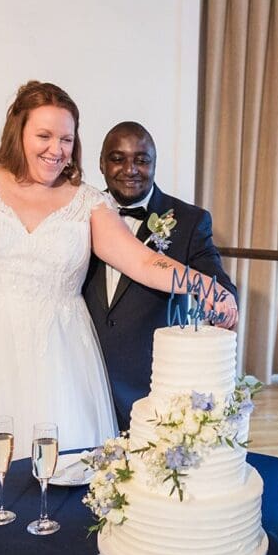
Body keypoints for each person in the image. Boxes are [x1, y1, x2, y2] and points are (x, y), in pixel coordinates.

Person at [0, 84, 238, 530]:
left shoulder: (88, 202)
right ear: (18, 131)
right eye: (44, 136)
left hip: (58, 366)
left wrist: (204, 286)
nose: (56, 150)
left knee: (56, 499)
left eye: (66, 139)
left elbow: (143, 261)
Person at [82, 122, 237, 432]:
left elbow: (211, 273)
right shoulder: (77, 213)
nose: (130, 169)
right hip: (82, 377)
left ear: (154, 163)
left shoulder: (190, 220)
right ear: (101, 163)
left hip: (149, 387)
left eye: (141, 159)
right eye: (117, 158)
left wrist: (223, 297)